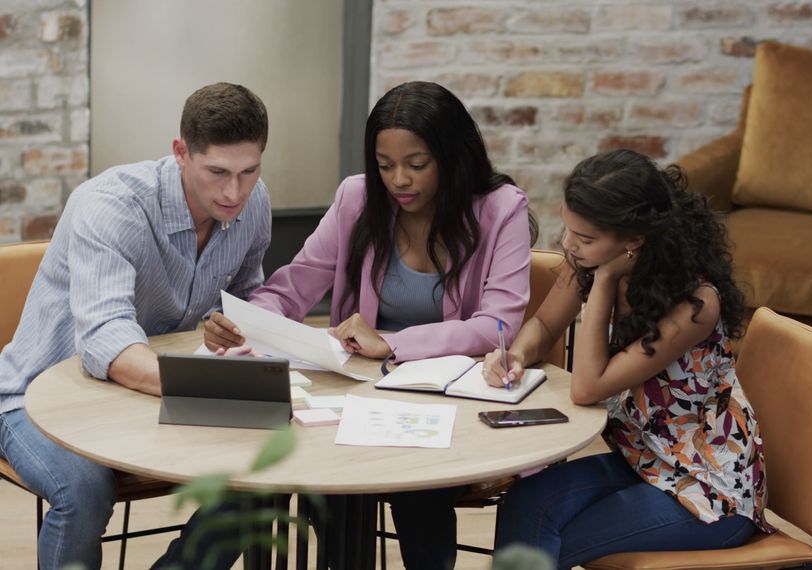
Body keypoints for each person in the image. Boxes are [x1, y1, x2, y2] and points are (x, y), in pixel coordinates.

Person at [203, 81, 533, 569]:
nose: (398, 180)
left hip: (447, 401)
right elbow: (298, 283)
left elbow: (495, 325)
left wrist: (393, 343)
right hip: (357, 391)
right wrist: (243, 322)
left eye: (417, 165)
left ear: (452, 155)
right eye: (384, 165)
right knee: (297, 465)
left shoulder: (501, 208)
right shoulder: (357, 198)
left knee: (417, 488)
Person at [0, 83, 272, 570]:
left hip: (140, 399)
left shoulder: (253, 204)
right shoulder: (110, 205)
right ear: (180, 153)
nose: (235, 192)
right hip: (33, 397)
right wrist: (215, 387)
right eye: (217, 173)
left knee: (263, 475)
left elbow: (248, 301)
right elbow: (108, 341)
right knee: (83, 487)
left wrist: (237, 331)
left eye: (249, 171)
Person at [481, 149, 773, 568]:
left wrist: (601, 283)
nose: (569, 245)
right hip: (644, 460)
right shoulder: (593, 258)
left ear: (633, 241)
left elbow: (587, 388)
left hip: (709, 492)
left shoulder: (694, 304)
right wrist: (517, 355)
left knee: (543, 545)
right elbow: (545, 323)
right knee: (527, 502)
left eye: (584, 238)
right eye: (568, 230)